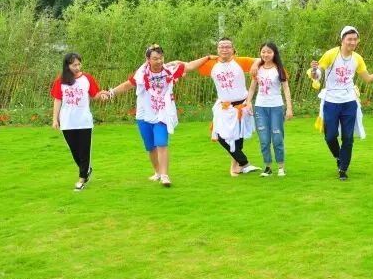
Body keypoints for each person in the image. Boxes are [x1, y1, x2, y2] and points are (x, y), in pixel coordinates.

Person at [102, 44, 212, 187]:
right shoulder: (141, 74)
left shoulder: (170, 71)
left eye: (161, 58)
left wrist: (208, 57)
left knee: (161, 143)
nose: (159, 61)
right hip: (144, 114)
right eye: (155, 59)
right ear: (148, 59)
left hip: (162, 113)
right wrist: (110, 93)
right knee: (150, 147)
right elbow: (127, 85)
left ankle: (165, 176)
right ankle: (158, 172)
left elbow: (190, 66)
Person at [310, 26, 373, 180]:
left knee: (348, 137)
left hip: (349, 102)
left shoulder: (357, 58)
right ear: (342, 40)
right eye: (349, 39)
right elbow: (318, 73)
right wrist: (314, 71)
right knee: (330, 136)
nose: (352, 42)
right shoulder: (331, 54)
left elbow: (367, 78)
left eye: (355, 39)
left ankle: (343, 169)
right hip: (331, 101)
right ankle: (339, 157)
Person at [198, 37, 262, 176]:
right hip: (224, 106)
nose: (224, 49)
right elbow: (190, 66)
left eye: (227, 46)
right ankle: (244, 163)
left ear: (233, 49)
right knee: (221, 136)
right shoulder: (212, 64)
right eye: (221, 46)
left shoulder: (239, 61)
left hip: (241, 105)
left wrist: (256, 64)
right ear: (217, 49)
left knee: (238, 139)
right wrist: (206, 57)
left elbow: (260, 59)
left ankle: (235, 168)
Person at [51, 53, 105, 191]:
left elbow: (95, 95)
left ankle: (82, 179)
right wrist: (55, 119)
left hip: (84, 121)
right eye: (74, 65)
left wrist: (103, 95)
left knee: (84, 151)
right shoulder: (60, 81)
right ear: (67, 65)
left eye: (79, 64)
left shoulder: (87, 78)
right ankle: (86, 170)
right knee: (75, 151)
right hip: (67, 122)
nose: (77, 67)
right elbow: (57, 100)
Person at [245, 42, 293, 177]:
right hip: (260, 108)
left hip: (276, 107)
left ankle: (281, 167)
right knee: (264, 139)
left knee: (277, 138)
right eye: (263, 52)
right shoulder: (257, 69)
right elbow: (252, 88)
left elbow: (286, 89)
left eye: (269, 52)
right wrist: (248, 102)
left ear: (274, 53)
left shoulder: (279, 69)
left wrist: (289, 108)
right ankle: (268, 167)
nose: (266, 54)